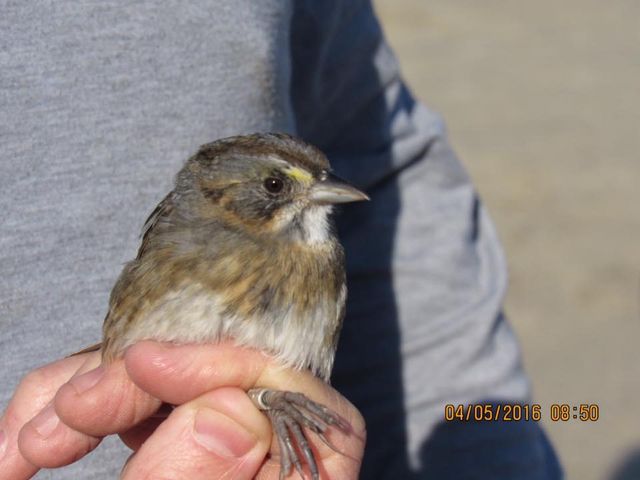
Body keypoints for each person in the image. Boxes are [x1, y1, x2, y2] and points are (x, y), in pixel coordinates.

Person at [0, 0, 562, 478]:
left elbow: (392, 166)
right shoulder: (184, 243)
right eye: (276, 186)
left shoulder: (325, 259)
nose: (324, 195)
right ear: (224, 199)